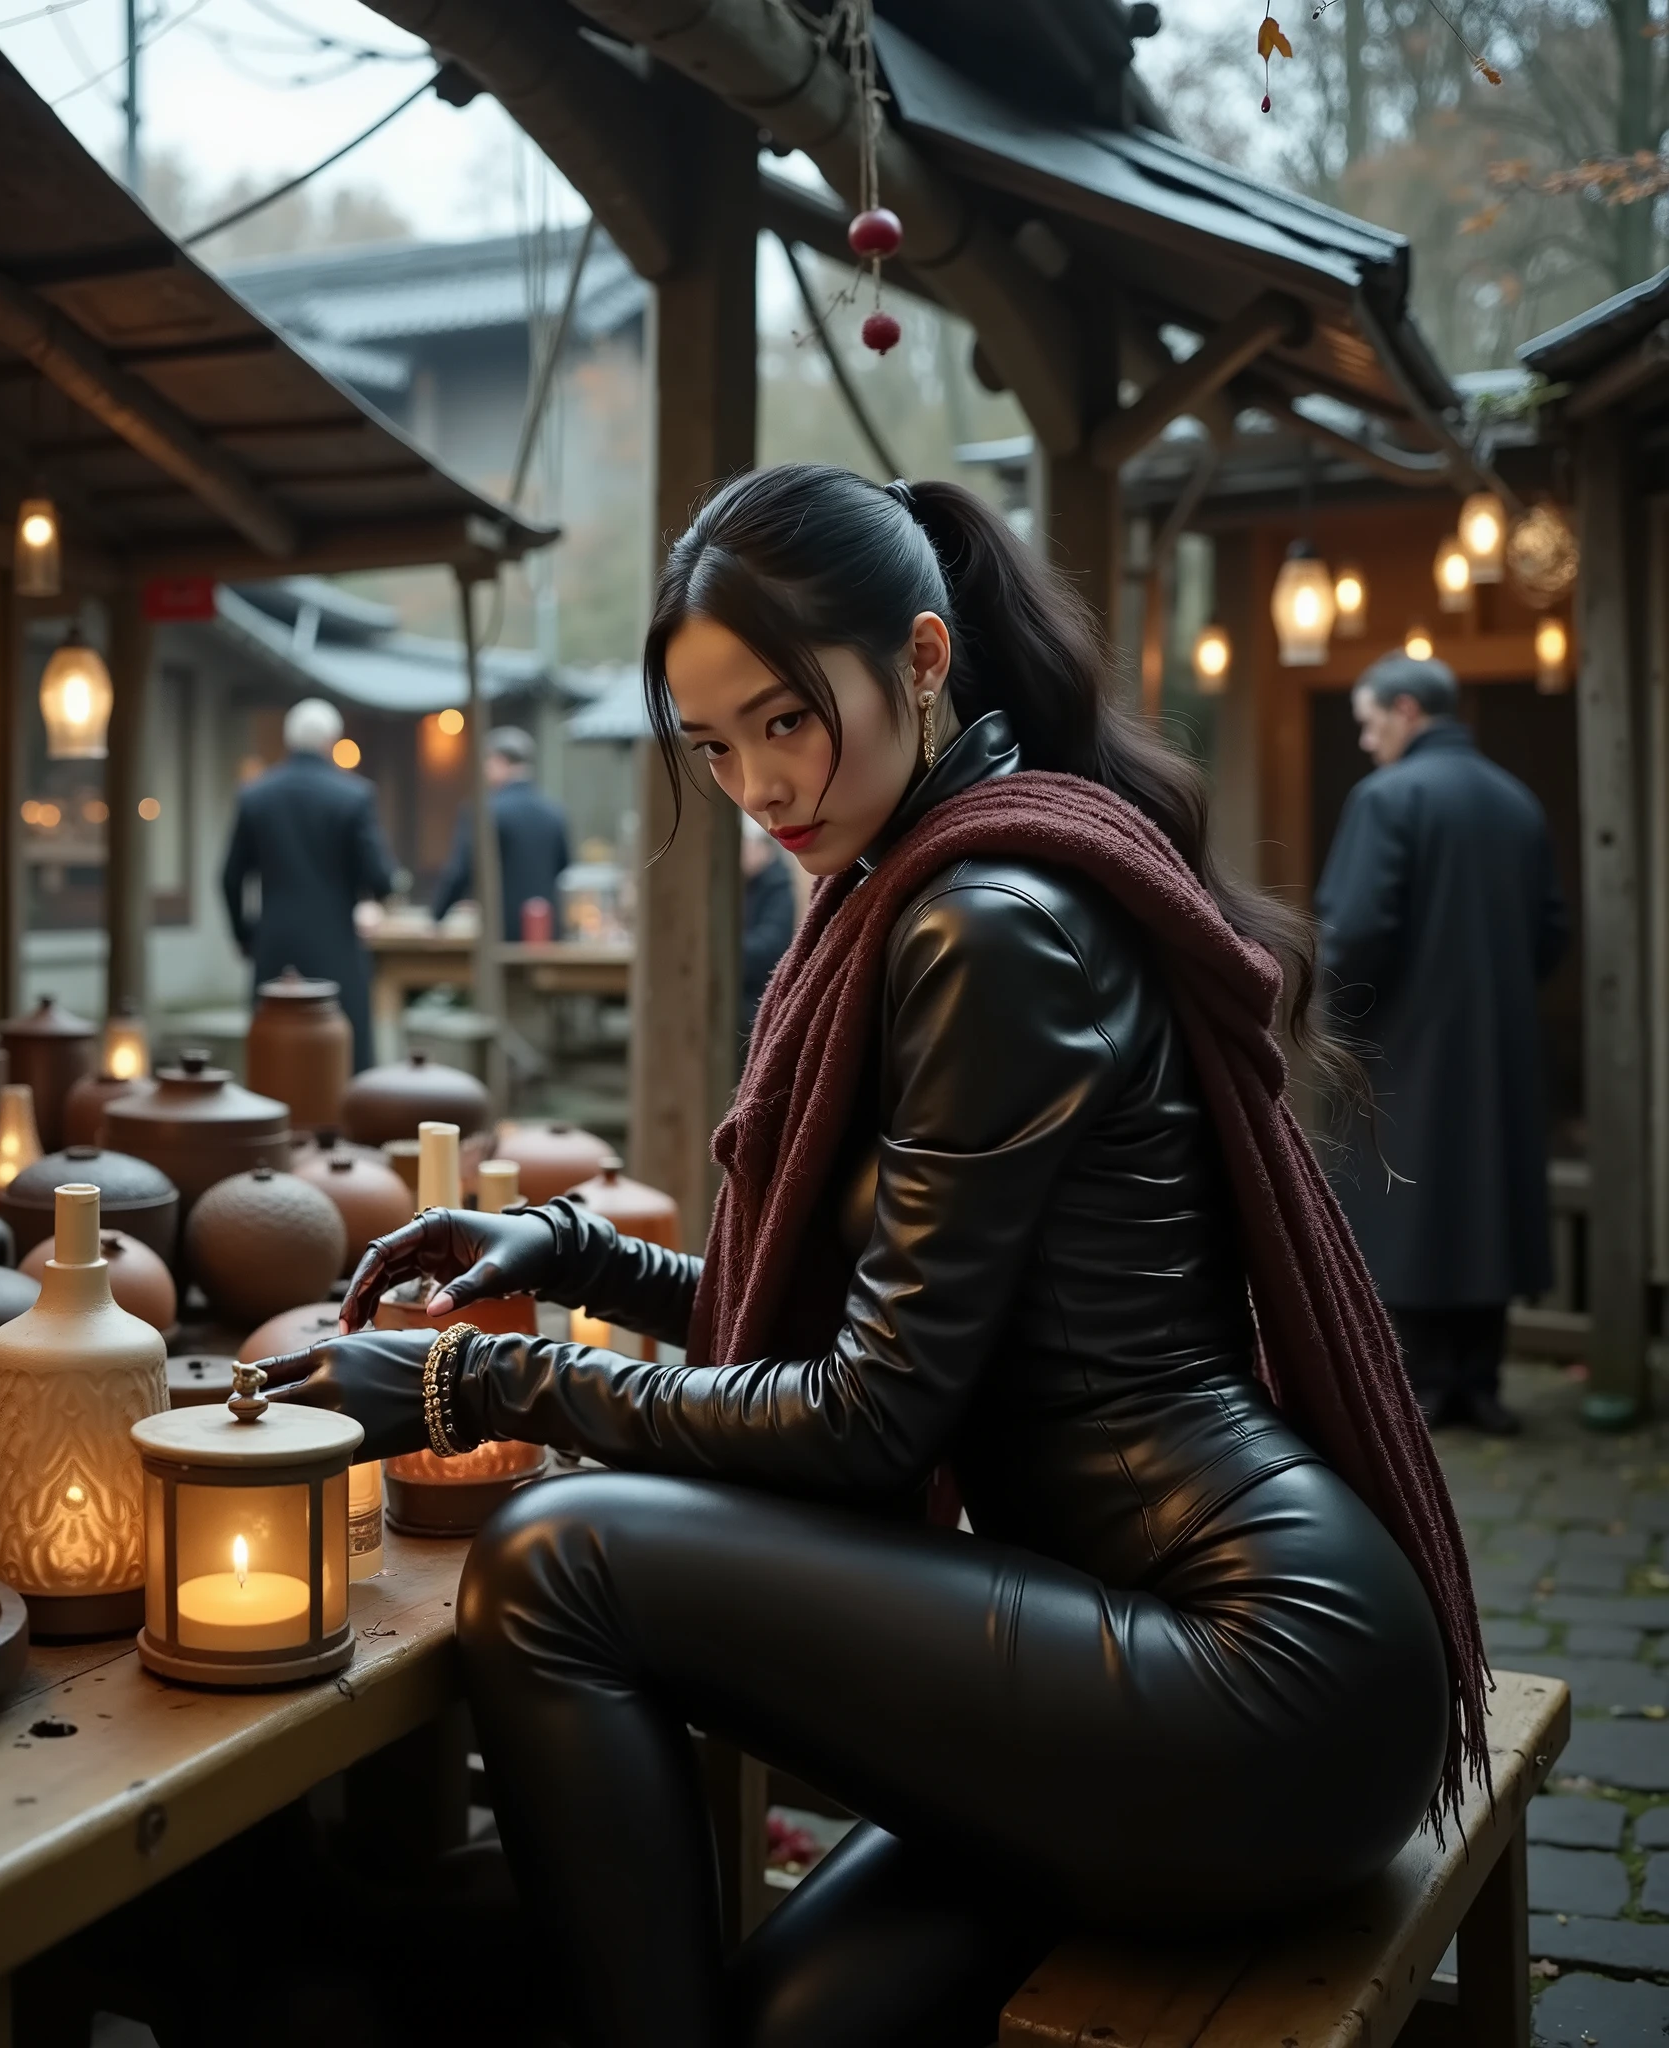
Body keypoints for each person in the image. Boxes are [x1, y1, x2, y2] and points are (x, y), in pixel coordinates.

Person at [268, 467, 1477, 2047]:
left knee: (557, 1559)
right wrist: (570, 1255)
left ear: (921, 658)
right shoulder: (929, 885)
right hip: (1134, 1644)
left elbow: (870, 1416)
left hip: (1255, 1681)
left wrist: (473, 1380)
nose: (759, 785)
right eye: (715, 746)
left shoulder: (986, 924)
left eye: (785, 719)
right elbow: (886, 1325)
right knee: (786, 2022)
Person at [1315, 654, 1569, 1437]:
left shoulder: (1387, 798)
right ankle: (1480, 1382)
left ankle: (1420, 1384)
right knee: (1487, 1196)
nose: (1366, 743)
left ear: (1405, 711)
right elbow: (1551, 932)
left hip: (1405, 1040)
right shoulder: (1516, 802)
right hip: (1500, 1043)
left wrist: (1327, 1011)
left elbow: (1354, 933)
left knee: (1411, 1204)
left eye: (1369, 724)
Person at [220, 698, 394, 1069]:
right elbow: (379, 877)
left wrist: (245, 936)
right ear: (332, 740)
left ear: (289, 739)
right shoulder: (353, 796)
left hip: (274, 944)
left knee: (273, 1056)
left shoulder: (255, 795)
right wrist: (369, 901)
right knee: (342, 1057)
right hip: (336, 943)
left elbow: (230, 877)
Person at [431, 725, 571, 940]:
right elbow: (563, 864)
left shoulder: (483, 812)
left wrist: (437, 916)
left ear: (499, 761)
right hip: (546, 930)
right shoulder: (554, 812)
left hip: (500, 930)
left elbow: (461, 870)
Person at [740, 810, 796, 1052]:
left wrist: (726, 950)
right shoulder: (749, 883)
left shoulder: (777, 886)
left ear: (761, 847)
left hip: (760, 995)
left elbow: (772, 945)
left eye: (745, 846)